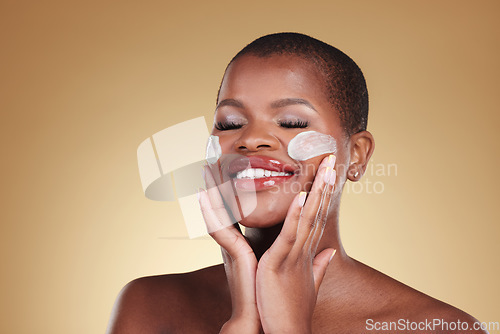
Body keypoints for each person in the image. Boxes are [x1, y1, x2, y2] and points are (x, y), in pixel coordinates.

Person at [107, 32, 485, 333]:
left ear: (356, 155)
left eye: (291, 123)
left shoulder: (439, 329)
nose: (251, 140)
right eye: (229, 123)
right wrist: (241, 323)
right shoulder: (150, 305)